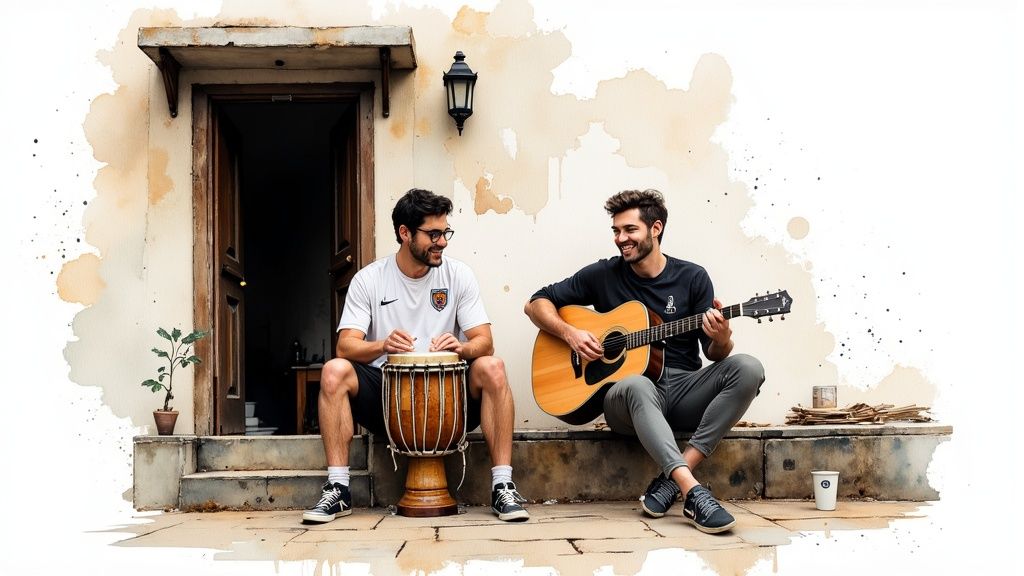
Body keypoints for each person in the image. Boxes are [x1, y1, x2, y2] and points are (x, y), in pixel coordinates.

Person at [523, 189, 764, 534]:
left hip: (684, 388)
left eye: (630, 230)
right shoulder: (603, 274)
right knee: (636, 383)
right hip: (628, 402)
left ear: (656, 228)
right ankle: (693, 492)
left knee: (749, 368)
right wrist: (570, 334)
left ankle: (673, 479)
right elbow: (536, 303)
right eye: (616, 231)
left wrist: (722, 338)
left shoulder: (692, 277)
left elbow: (714, 353)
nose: (621, 239)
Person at [303, 188, 529, 523]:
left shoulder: (458, 275)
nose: (443, 242)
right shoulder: (369, 279)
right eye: (433, 234)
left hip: (449, 395)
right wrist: (382, 345)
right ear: (405, 233)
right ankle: (338, 489)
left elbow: (485, 342)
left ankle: (502, 486)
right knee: (334, 370)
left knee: (493, 367)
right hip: (388, 398)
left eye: (445, 232)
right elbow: (345, 346)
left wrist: (462, 348)